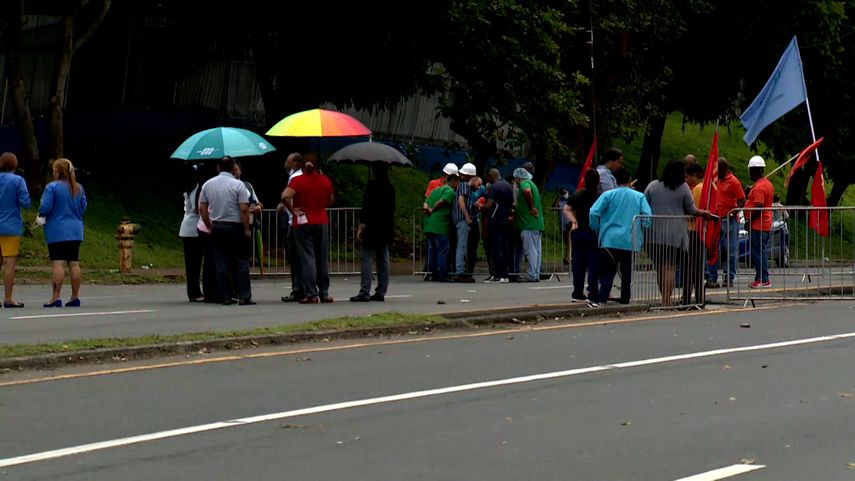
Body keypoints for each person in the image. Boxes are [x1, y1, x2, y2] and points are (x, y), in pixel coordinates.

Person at [644, 160, 713, 307]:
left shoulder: (652, 186)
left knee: (660, 267)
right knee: (669, 267)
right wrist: (704, 213)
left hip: (653, 234)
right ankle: (666, 301)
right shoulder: (683, 188)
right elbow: (692, 210)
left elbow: (644, 204)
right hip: (675, 234)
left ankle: (664, 298)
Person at [589, 168, 651, 307]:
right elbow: (647, 215)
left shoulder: (608, 194)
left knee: (608, 271)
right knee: (626, 271)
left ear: (615, 180)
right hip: (630, 238)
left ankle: (602, 298)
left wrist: (596, 227)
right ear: (630, 179)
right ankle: (625, 298)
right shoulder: (639, 196)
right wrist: (644, 226)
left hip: (609, 238)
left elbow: (593, 211)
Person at [198, 156, 254, 305]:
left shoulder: (208, 185)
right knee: (241, 261)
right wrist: (247, 228)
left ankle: (224, 295)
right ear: (232, 168)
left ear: (218, 168)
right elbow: (243, 209)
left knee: (221, 261)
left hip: (217, 225)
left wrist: (209, 224)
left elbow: (202, 208)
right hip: (235, 226)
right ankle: (244, 295)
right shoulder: (238, 185)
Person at [282, 155, 335, 304]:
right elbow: (331, 199)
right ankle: (324, 292)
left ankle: (311, 293)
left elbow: (285, 196)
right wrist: (321, 206)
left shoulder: (298, 181)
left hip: (304, 220)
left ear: (303, 166)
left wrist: (293, 210)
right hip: (321, 219)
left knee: (307, 257)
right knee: (322, 257)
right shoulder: (325, 180)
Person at [39, 158, 87, 308]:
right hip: (75, 230)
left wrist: (41, 215)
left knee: (58, 263)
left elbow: (45, 208)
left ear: (57, 172)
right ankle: (75, 296)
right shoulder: (78, 187)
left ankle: (55, 297)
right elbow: (83, 207)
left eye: (54, 170)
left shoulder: (52, 187)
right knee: (74, 263)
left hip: (57, 230)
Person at [350, 163, 395, 302]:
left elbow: (366, 207)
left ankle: (365, 291)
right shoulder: (390, 188)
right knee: (383, 259)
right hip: (386, 226)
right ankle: (381, 290)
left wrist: (361, 226)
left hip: (372, 226)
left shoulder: (371, 186)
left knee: (366, 257)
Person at [707, 157, 745, 288]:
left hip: (729, 219)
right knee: (714, 249)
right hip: (717, 219)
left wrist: (735, 211)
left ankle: (729, 277)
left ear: (724, 169)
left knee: (730, 250)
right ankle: (712, 277)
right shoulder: (716, 180)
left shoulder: (733, 181)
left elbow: (742, 199)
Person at [0, 152, 31, 307]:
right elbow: (25, 202)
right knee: (9, 262)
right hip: (11, 225)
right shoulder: (18, 180)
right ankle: (8, 298)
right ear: (15, 165)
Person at [565, 169, 600, 302]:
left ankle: (577, 292)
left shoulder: (578, 194)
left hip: (578, 231)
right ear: (598, 182)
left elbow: (567, 209)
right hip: (593, 232)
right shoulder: (600, 197)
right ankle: (593, 291)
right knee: (593, 263)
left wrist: (574, 220)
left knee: (578, 264)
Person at [278, 153, 306, 302]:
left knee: (295, 258)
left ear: (295, 163)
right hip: (296, 221)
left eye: (287, 161)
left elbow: (287, 197)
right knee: (297, 258)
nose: (285, 164)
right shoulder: (297, 177)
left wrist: (288, 207)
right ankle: (301, 287)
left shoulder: (295, 178)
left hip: (293, 222)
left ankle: (298, 289)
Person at [423, 174, 460, 282]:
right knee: (442, 251)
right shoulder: (449, 191)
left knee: (432, 250)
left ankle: (433, 273)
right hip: (440, 225)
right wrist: (433, 209)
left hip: (429, 224)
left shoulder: (435, 191)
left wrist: (427, 210)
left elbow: (425, 202)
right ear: (454, 182)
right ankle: (442, 274)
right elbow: (442, 201)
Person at [745, 155, 774, 288]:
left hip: (758, 224)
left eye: (751, 170)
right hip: (764, 224)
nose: (750, 173)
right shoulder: (766, 184)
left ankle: (763, 278)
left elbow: (759, 206)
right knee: (760, 251)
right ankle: (760, 276)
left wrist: (749, 221)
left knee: (758, 252)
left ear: (756, 170)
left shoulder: (759, 187)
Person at [179, 163, 207, 303]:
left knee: (192, 264)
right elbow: (198, 208)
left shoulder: (189, 187)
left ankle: (193, 291)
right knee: (194, 264)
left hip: (188, 227)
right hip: (193, 228)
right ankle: (195, 292)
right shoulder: (196, 188)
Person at [481, 168, 513, 283]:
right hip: (505, 220)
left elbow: (489, 205)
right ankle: (504, 275)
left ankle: (498, 274)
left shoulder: (495, 186)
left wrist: (479, 206)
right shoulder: (508, 186)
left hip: (495, 219)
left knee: (495, 248)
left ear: (490, 176)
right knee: (504, 248)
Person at [513, 167, 544, 282]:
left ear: (518, 178)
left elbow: (527, 191)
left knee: (530, 250)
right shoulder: (532, 183)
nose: (515, 181)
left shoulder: (524, 184)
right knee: (536, 250)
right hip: (536, 223)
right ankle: (535, 273)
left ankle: (532, 274)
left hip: (528, 223)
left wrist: (531, 207)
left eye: (515, 179)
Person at [684, 162, 707, 305]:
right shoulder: (702, 187)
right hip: (698, 231)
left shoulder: (698, 189)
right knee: (697, 267)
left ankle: (690, 298)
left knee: (691, 267)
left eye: (687, 177)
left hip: (694, 230)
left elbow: (693, 210)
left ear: (694, 176)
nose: (686, 180)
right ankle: (698, 297)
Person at [452, 163, 476, 282]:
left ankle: (459, 270)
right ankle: (459, 271)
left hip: (458, 219)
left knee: (461, 244)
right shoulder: (464, 186)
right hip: (462, 219)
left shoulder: (460, 185)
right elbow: (461, 200)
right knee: (462, 245)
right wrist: (467, 215)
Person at [555, 187, 572, 267]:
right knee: (566, 240)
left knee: (569, 240)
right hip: (562, 224)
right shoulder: (560, 201)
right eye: (562, 193)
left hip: (570, 223)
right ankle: (568, 256)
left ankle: (568, 257)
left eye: (565, 192)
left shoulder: (571, 200)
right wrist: (558, 198)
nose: (564, 195)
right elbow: (554, 207)